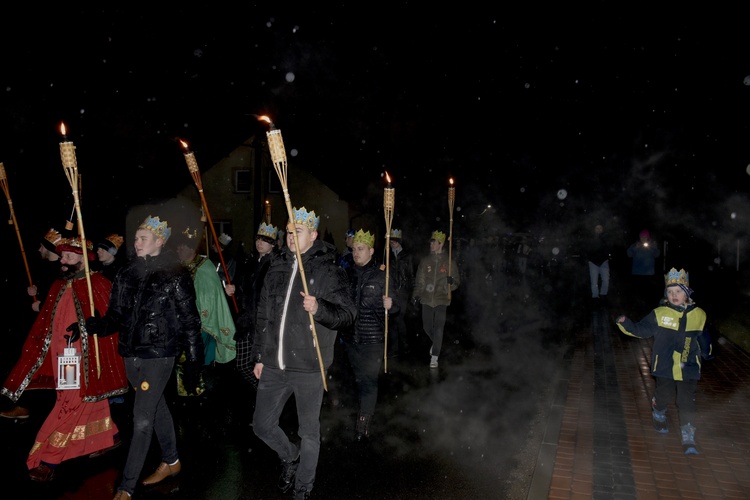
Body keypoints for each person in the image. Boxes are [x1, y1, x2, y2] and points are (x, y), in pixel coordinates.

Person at [86, 215, 204, 500]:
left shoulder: (176, 273)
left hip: (159, 354)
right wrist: (100, 326)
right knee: (156, 406)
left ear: (159, 242)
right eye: (136, 238)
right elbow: (117, 314)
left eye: (143, 239)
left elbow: (190, 321)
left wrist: (193, 362)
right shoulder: (127, 272)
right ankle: (172, 461)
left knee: (141, 419)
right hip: (130, 353)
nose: (136, 243)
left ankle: (126, 487)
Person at [0, 235, 128, 481]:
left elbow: (110, 322)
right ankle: (109, 435)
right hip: (61, 357)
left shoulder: (98, 284)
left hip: (77, 359)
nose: (64, 261)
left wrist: (91, 325)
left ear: (85, 259)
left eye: (70, 256)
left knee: (69, 403)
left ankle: (49, 459)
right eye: (63, 256)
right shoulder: (60, 284)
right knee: (86, 399)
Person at [251, 207, 356, 500]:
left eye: (297, 231)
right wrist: (259, 356)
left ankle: (303, 486)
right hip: (274, 362)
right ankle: (290, 455)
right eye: (288, 231)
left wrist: (319, 308)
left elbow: (348, 314)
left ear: (312, 235)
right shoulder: (277, 265)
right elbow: (264, 314)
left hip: (310, 365)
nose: (290, 236)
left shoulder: (328, 269)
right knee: (261, 425)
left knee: (309, 431)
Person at [615, 267, 713, 455]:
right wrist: (625, 322)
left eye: (678, 291)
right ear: (666, 294)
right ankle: (658, 410)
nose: (674, 295)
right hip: (665, 365)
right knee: (665, 393)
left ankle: (688, 433)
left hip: (689, 365)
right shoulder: (660, 314)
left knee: (687, 401)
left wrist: (707, 353)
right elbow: (641, 330)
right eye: (670, 292)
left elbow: (703, 336)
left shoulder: (698, 314)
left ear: (687, 294)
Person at [0, 228, 66, 421]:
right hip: (40, 328)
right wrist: (36, 293)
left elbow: (61, 300)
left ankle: (44, 408)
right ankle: (25, 405)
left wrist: (42, 304)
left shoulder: (62, 271)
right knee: (33, 364)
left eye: (41, 247)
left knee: (47, 367)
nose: (38, 250)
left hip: (55, 331)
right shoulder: (45, 268)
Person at [342, 229, 396, 441]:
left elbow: (397, 304)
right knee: (359, 378)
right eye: (354, 249)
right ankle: (365, 408)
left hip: (373, 338)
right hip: (351, 338)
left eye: (360, 249)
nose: (356, 253)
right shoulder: (347, 274)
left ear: (371, 251)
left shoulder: (383, 275)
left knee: (368, 379)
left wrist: (391, 305)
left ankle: (364, 420)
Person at [172, 225, 237, 397]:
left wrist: (199, 319)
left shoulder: (204, 267)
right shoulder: (177, 266)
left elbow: (209, 298)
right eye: (177, 246)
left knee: (197, 361)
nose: (178, 249)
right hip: (179, 324)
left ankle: (198, 394)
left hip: (200, 325)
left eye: (182, 246)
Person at [224, 221, 280, 386]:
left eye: (265, 240)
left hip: (264, 323)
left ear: (273, 245)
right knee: (242, 363)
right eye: (258, 239)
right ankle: (262, 391)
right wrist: (234, 289)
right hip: (247, 320)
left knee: (263, 365)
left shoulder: (276, 265)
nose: (259, 243)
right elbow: (244, 289)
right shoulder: (250, 262)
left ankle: (266, 393)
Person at [413, 230, 460, 368]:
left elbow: (457, 282)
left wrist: (451, 283)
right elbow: (420, 281)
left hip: (441, 298)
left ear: (441, 244)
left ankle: (435, 356)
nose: (431, 244)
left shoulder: (450, 261)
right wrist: (416, 295)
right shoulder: (425, 261)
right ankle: (437, 343)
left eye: (434, 242)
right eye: (431, 242)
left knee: (439, 328)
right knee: (427, 326)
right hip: (427, 298)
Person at [385, 228, 415, 358]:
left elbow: (411, 275)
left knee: (399, 318)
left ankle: (405, 344)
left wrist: (413, 293)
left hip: (403, 292)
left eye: (395, 240)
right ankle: (395, 348)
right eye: (391, 240)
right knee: (392, 320)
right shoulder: (387, 255)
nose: (392, 242)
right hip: (391, 291)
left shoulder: (407, 256)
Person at [626, 229, 662, 303]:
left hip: (649, 273)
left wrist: (653, 247)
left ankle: (648, 305)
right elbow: (629, 254)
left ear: (648, 237)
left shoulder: (652, 244)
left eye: (645, 237)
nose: (643, 238)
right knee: (637, 294)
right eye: (641, 237)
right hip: (637, 273)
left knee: (648, 294)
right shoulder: (636, 244)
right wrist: (635, 248)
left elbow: (657, 254)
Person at [584, 223, 611, 303]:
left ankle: (603, 295)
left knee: (606, 279)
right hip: (593, 262)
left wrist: (608, 257)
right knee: (594, 281)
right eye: (597, 228)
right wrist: (588, 259)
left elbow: (610, 248)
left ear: (602, 229)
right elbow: (586, 249)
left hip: (604, 262)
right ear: (594, 229)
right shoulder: (590, 238)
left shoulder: (606, 237)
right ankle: (595, 297)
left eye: (600, 228)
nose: (599, 230)